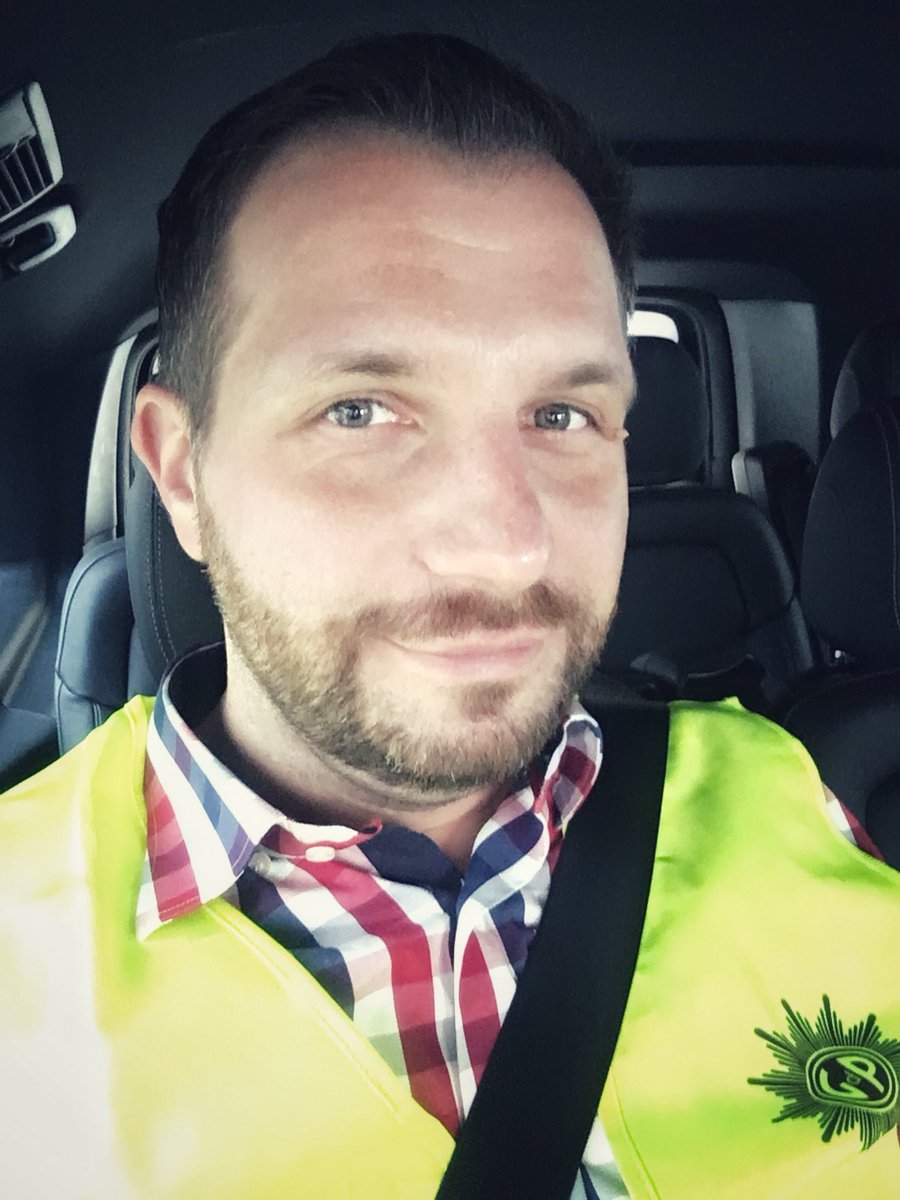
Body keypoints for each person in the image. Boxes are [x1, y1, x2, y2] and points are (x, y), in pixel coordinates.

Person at [1, 31, 897, 1200]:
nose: (508, 541)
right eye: (361, 411)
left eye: (562, 416)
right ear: (182, 472)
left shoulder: (784, 791)